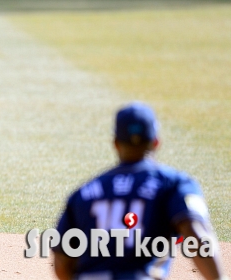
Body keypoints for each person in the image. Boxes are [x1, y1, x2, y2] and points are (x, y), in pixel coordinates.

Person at [52, 102, 227, 280]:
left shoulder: (84, 193)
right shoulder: (173, 184)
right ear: (156, 141)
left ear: (116, 143)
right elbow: (196, 234)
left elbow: (62, 264)